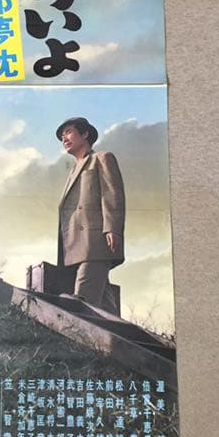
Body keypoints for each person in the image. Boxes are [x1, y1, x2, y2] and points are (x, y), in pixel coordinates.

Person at [56, 117, 125, 309]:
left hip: (94, 241)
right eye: (62, 136)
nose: (64, 138)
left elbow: (112, 194)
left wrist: (112, 228)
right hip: (76, 247)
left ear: (85, 134)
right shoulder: (72, 172)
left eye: (69, 132)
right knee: (104, 308)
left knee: (82, 303)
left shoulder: (102, 158)